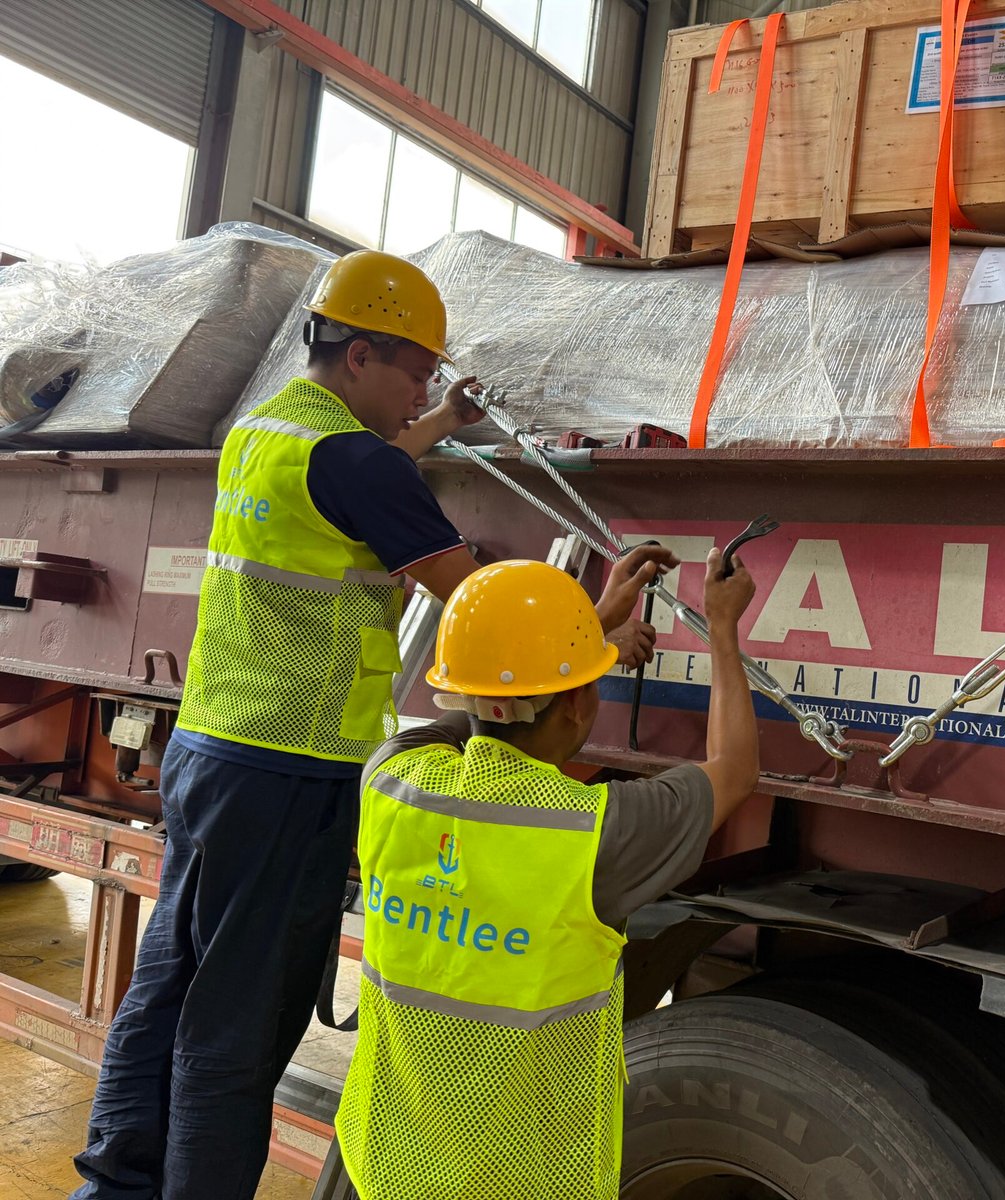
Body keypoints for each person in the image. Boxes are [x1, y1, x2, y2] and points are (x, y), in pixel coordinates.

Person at [71, 250, 668, 1200]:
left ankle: (115, 1183)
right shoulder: (352, 460)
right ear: (360, 356)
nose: (420, 392)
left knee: (172, 983)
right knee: (244, 1020)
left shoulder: (270, 429)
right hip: (289, 767)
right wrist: (595, 627)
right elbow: (484, 614)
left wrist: (439, 423)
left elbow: (362, 470)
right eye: (416, 373)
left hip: (213, 744)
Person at [330, 550, 760, 1200]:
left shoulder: (391, 779)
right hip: (524, 1181)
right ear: (581, 704)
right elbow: (734, 766)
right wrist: (722, 627)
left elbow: (480, 708)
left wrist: (587, 633)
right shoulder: (598, 836)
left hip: (386, 1162)